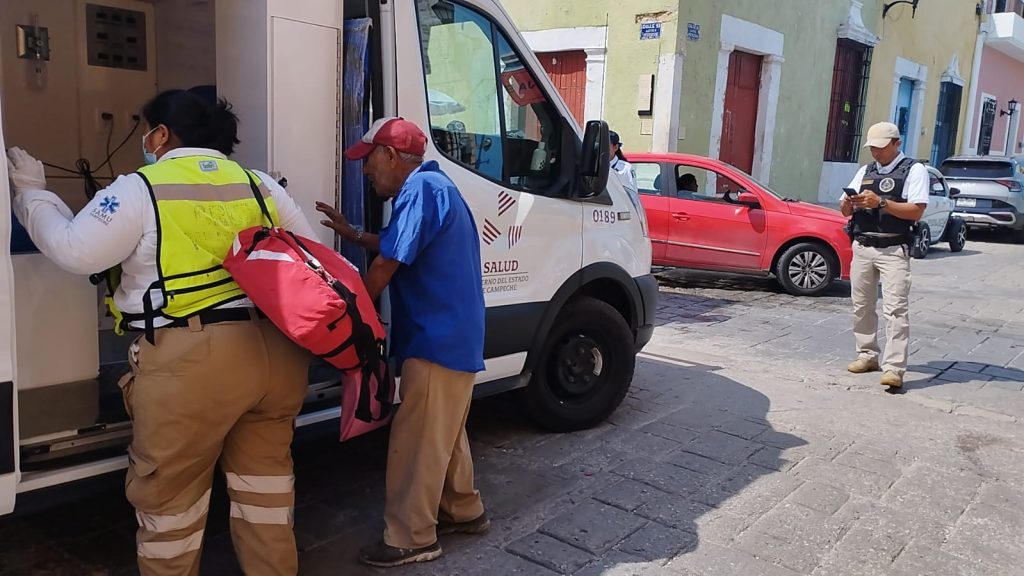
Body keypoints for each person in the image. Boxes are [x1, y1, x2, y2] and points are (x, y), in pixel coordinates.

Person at [7, 89, 317, 575]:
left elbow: (74, 249)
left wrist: (31, 192)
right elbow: (309, 256)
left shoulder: (140, 188)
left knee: (171, 507)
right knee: (266, 491)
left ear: (162, 134)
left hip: (193, 364)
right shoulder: (261, 186)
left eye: (145, 129)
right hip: (276, 356)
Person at [316, 117, 488, 568]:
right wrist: (352, 234)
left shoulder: (421, 191)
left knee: (417, 441)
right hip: (454, 339)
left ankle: (411, 537)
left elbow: (385, 267)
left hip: (436, 340)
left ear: (391, 156)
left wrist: (348, 321)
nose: (365, 172)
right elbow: (400, 244)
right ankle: (463, 510)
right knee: (443, 433)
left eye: (369, 161)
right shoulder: (436, 186)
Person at [839, 121, 928, 389]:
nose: (875, 153)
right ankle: (867, 354)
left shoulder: (914, 170)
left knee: (896, 309)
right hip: (864, 246)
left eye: (880, 148)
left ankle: (894, 368)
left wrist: (881, 203)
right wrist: (847, 204)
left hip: (893, 248)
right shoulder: (865, 171)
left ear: (896, 144)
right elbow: (845, 212)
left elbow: (917, 211)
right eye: (872, 148)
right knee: (861, 306)